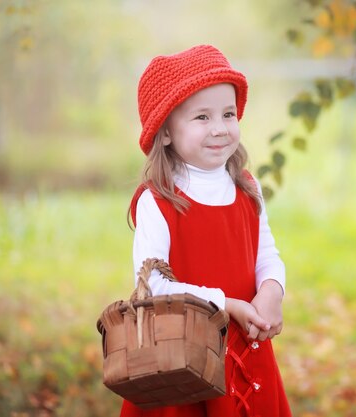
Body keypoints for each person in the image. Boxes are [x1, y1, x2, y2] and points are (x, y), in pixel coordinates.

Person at [121, 45, 291, 417]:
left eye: (228, 114)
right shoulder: (158, 201)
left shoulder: (247, 189)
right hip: (181, 360)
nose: (220, 128)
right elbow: (155, 289)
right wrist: (227, 306)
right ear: (165, 132)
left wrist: (272, 290)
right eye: (202, 117)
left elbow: (267, 255)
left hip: (246, 352)